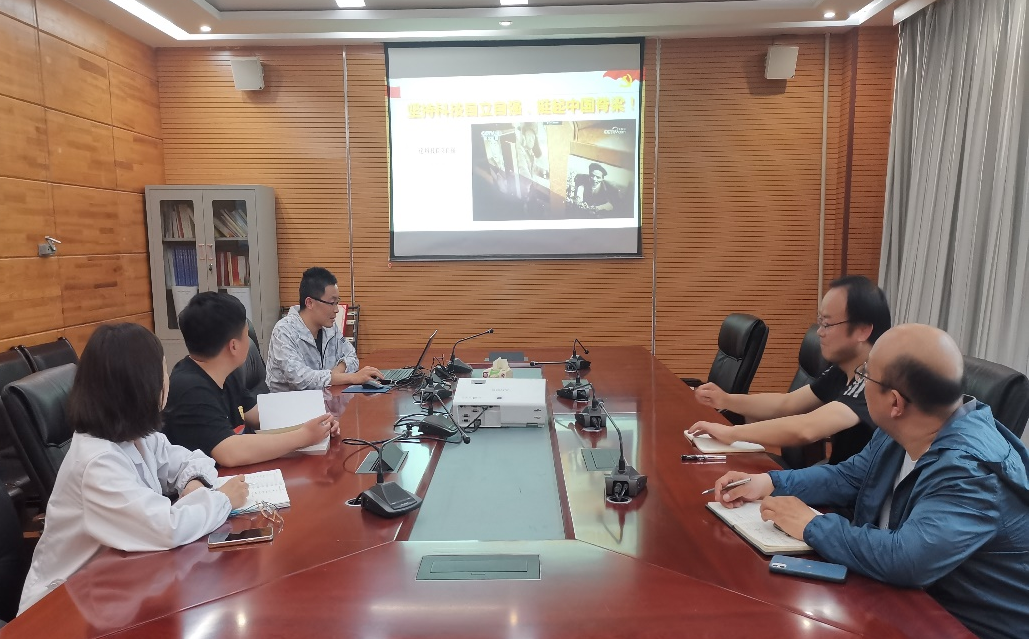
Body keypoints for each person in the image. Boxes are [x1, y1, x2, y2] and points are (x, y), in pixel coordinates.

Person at [711, 324, 1029, 639]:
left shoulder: (970, 471)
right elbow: (848, 476)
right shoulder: (907, 427)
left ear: (895, 403)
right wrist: (769, 482)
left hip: (963, 624)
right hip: (904, 600)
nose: (860, 384)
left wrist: (811, 524)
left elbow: (907, 559)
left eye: (865, 375)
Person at [18, 323, 250, 614]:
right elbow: (167, 528)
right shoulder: (97, 462)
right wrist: (223, 499)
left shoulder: (135, 435)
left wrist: (195, 483)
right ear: (143, 387)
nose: (167, 381)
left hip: (114, 588)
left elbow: (191, 460)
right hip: (62, 610)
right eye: (162, 372)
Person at [688, 275, 891, 464]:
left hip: (852, 489)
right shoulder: (843, 370)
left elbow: (807, 429)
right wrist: (725, 400)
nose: (819, 332)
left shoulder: (875, 381)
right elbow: (787, 404)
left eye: (827, 324)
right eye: (820, 322)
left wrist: (732, 433)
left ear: (862, 331)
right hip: (834, 476)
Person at [162, 292, 337, 467]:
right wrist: (303, 436)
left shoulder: (225, 372)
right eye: (246, 335)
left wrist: (318, 423)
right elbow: (230, 452)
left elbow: (257, 414)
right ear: (234, 346)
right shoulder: (189, 389)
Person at [265, 267, 382, 393]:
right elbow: (300, 379)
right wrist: (351, 377)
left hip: (324, 398)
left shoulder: (330, 328)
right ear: (309, 303)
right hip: (289, 402)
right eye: (332, 303)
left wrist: (337, 373)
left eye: (337, 302)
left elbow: (351, 356)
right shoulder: (284, 331)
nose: (336, 310)